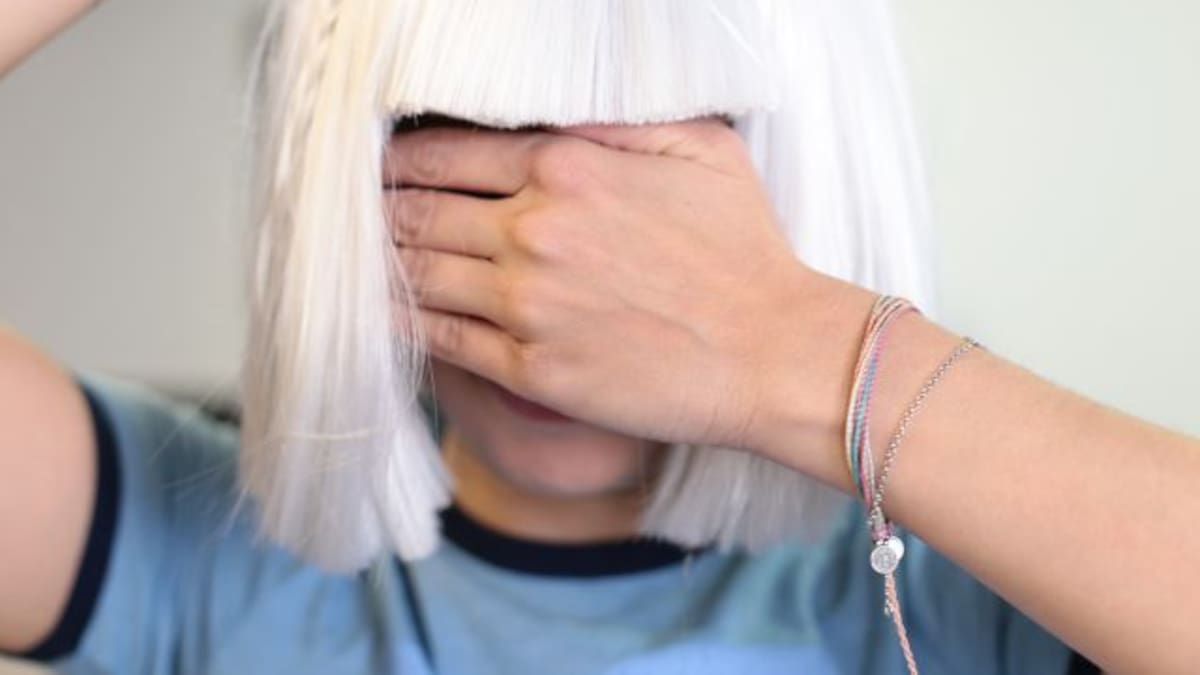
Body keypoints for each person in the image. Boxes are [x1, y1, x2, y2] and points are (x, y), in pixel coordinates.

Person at [2, 2, 1198, 675]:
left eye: (651, 180)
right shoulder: (196, 553)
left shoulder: (953, 598)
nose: (553, 275)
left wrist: (796, 346)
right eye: (468, 142)